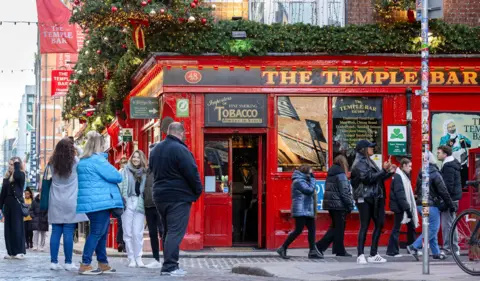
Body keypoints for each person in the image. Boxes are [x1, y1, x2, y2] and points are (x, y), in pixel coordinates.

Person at [150, 122, 203, 276]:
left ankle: (169, 265)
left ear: (168, 132)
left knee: (167, 231)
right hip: (178, 197)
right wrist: (198, 191)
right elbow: (192, 172)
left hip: (159, 196)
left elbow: (152, 170)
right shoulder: (181, 149)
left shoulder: (155, 150)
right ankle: (170, 267)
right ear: (181, 133)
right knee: (174, 232)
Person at [77, 131, 123, 275]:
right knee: (97, 232)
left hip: (91, 203)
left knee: (101, 233)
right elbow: (117, 176)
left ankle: (103, 263)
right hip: (100, 202)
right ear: (99, 145)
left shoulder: (83, 161)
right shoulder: (98, 160)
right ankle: (85, 264)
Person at [351, 140, 396, 264]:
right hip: (364, 197)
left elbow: (377, 179)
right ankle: (360, 255)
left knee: (379, 224)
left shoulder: (368, 161)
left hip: (374, 197)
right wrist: (384, 171)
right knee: (364, 225)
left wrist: (387, 171)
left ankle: (373, 254)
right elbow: (368, 179)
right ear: (363, 149)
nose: (372, 149)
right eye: (370, 147)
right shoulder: (359, 162)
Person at [48, 138, 89, 271]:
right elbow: (85, 155)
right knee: (68, 232)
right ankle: (68, 262)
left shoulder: (52, 163)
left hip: (55, 201)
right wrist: (76, 145)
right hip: (71, 201)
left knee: (55, 232)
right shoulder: (75, 162)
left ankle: (53, 262)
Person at [407, 151, 455, 260]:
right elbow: (443, 191)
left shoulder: (421, 172)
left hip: (420, 205)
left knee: (430, 228)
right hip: (430, 205)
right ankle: (414, 246)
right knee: (433, 228)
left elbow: (417, 189)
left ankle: (436, 253)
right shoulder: (435, 173)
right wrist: (450, 205)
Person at [276, 165, 323, 260]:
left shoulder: (305, 180)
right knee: (298, 230)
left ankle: (312, 251)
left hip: (307, 210)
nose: (312, 173)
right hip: (300, 210)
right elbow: (309, 190)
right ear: (306, 172)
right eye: (310, 172)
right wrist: (313, 179)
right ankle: (283, 247)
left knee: (312, 230)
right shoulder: (298, 181)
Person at [315, 155, 354, 257]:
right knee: (337, 228)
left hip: (331, 205)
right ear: (344, 163)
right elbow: (344, 192)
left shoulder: (331, 172)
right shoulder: (341, 174)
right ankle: (319, 246)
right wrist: (350, 205)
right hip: (339, 205)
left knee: (337, 227)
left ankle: (339, 250)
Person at [118, 150, 148, 268]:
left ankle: (139, 257)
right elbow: (119, 187)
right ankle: (131, 258)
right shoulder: (123, 171)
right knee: (128, 232)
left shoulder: (145, 173)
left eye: (138, 157)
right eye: (134, 157)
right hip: (127, 202)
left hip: (139, 203)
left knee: (138, 233)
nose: (136, 159)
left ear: (142, 159)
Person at [386, 158, 418, 258]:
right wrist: (407, 209)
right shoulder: (399, 177)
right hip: (399, 207)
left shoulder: (403, 176)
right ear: (403, 165)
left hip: (401, 206)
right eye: (409, 166)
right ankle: (392, 251)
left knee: (410, 226)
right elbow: (400, 195)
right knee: (396, 228)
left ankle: (412, 247)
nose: (411, 168)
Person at [437, 145, 461, 256]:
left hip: (450, 199)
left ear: (445, 154)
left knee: (447, 224)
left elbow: (448, 186)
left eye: (439, 152)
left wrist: (445, 201)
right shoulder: (451, 164)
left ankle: (449, 248)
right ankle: (454, 247)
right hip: (453, 198)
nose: (438, 154)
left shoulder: (448, 166)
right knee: (451, 223)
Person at [0, 157, 27, 259]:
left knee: (17, 227)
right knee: (8, 228)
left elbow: (17, 176)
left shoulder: (20, 174)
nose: (10, 166)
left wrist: (16, 165)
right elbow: (2, 193)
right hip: (8, 204)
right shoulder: (6, 178)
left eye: (12, 164)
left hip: (16, 204)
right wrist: (0, 206)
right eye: (10, 164)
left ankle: (19, 251)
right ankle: (10, 251)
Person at [144, 143, 164, 269]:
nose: (151, 155)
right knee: (152, 233)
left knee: (163, 232)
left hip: (160, 205)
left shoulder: (162, 168)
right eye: (150, 153)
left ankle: (168, 259)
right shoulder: (146, 170)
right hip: (148, 205)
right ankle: (156, 259)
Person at [439, 119, 471, 186]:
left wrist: (464, 142)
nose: (452, 128)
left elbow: (469, 143)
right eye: (450, 127)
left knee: (464, 182)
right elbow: (441, 150)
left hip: (463, 163)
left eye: (453, 126)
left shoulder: (460, 136)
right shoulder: (444, 138)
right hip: (451, 164)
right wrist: (448, 145)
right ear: (446, 128)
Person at [115, 156, 129, 253]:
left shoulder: (117, 174)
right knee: (125, 224)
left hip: (119, 202)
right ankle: (123, 243)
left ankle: (120, 242)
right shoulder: (126, 174)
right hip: (125, 201)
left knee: (121, 223)